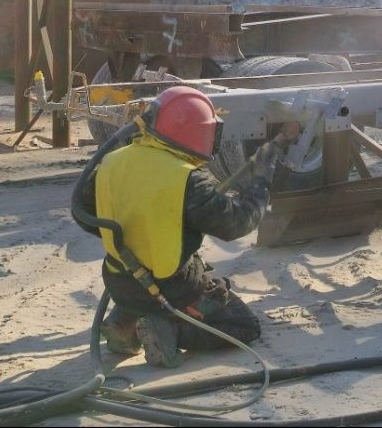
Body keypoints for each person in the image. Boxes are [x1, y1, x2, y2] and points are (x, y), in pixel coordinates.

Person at [74, 85, 289, 368]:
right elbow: (238, 223)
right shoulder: (187, 180)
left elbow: (85, 213)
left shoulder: (112, 162)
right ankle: (170, 329)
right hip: (172, 290)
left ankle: (124, 320)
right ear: (198, 134)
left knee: (154, 275)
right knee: (245, 325)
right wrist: (261, 181)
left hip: (119, 280)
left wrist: (135, 243)